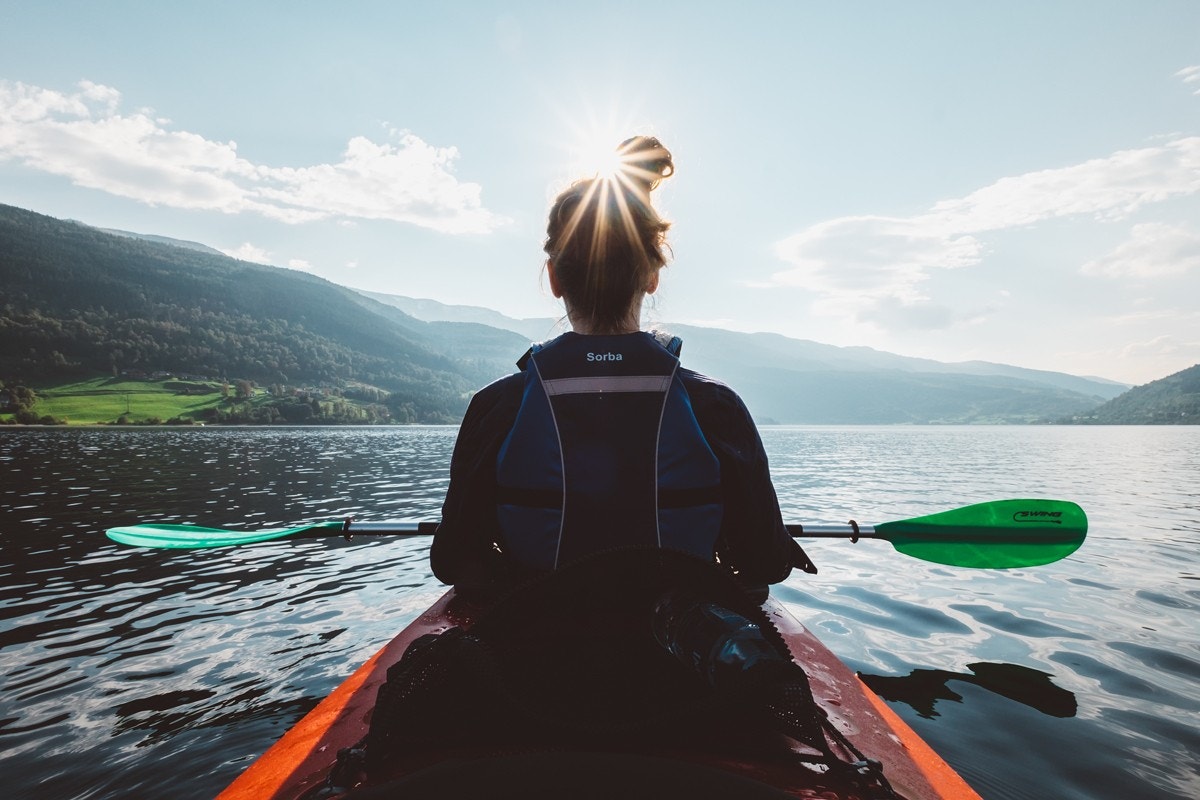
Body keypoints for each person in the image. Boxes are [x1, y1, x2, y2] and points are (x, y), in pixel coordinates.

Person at [431, 136, 813, 600]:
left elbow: (453, 560)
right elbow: (766, 562)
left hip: (538, 644)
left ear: (553, 278)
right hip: (677, 648)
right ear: (652, 276)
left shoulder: (498, 406)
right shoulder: (715, 406)